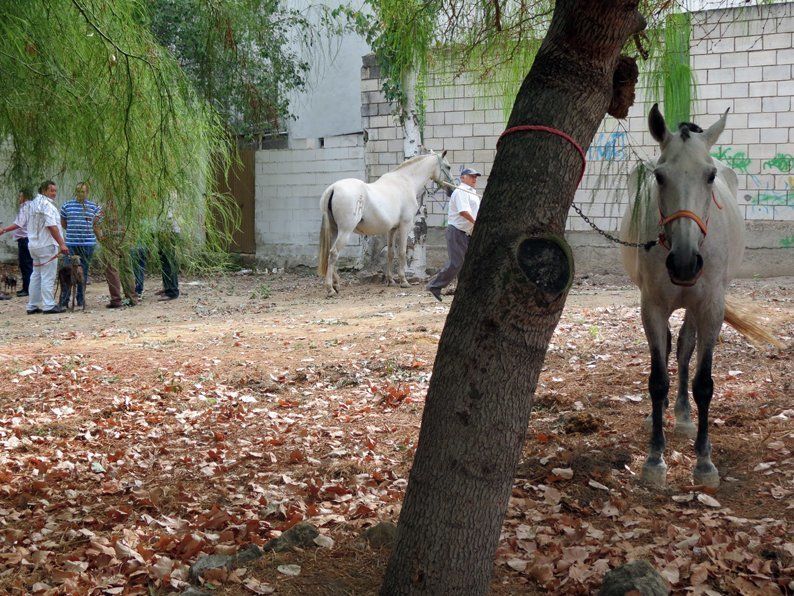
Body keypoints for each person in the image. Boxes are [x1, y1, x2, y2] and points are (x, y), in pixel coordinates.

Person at [0, 181, 69, 314]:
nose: (54, 193)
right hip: (47, 245)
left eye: (55, 190)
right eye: (51, 190)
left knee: (36, 275)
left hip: (34, 245)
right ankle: (49, 305)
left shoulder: (31, 205)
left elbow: (20, 223)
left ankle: (32, 305)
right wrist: (62, 243)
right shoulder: (46, 205)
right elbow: (51, 226)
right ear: (44, 190)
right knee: (47, 275)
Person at [426, 167, 482, 302]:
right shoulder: (461, 192)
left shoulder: (472, 193)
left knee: (468, 263)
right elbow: (464, 212)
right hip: (457, 231)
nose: (474, 179)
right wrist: (477, 223)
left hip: (466, 233)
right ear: (463, 178)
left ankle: (465, 291)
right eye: (471, 176)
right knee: (456, 263)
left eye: (476, 177)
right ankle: (434, 285)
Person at [59, 182, 101, 308]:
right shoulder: (67, 206)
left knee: (84, 271)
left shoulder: (94, 207)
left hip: (88, 244)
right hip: (71, 243)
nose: (80, 194)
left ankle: (81, 299)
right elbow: (64, 223)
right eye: (78, 191)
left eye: (83, 191)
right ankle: (64, 300)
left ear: (87, 192)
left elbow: (96, 224)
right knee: (67, 272)